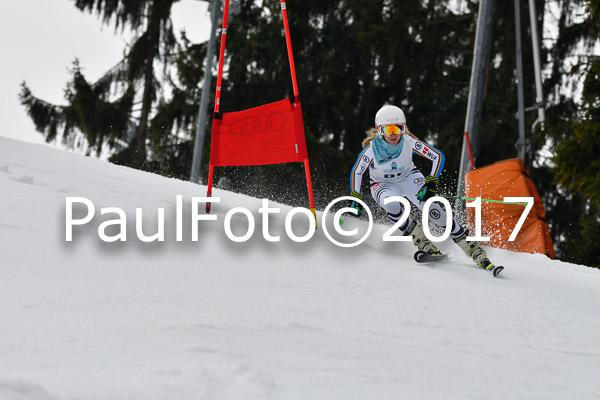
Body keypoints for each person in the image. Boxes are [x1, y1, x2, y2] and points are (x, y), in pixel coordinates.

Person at [348, 104, 502, 276]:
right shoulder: (371, 150)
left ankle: (472, 249)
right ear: (380, 130)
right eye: (388, 129)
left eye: (398, 128)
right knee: (390, 203)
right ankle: (422, 241)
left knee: (432, 209)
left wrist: (431, 182)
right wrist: (355, 197)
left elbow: (437, 156)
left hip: (409, 178)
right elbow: (357, 171)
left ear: (403, 128)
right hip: (383, 184)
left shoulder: (409, 142)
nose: (394, 134)